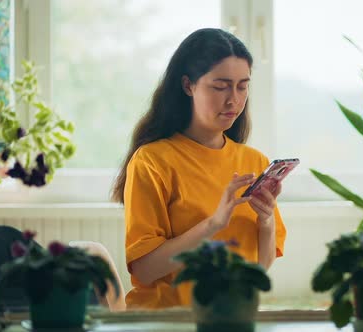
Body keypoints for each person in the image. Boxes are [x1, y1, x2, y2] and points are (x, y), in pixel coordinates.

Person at [112, 28, 287, 310]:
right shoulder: (152, 161)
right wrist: (213, 224)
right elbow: (144, 269)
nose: (234, 100)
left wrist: (266, 221)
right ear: (188, 85)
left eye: (242, 86)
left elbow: (260, 267)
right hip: (165, 321)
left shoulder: (254, 162)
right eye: (221, 86)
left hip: (230, 317)